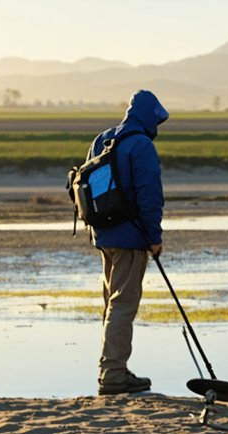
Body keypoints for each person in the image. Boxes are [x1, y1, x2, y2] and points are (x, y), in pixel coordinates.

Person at [89, 90, 169, 395]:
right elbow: (150, 196)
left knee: (112, 304)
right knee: (123, 305)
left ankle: (111, 368)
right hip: (131, 237)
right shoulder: (141, 145)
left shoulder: (102, 139)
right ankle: (113, 374)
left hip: (104, 235)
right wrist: (154, 237)